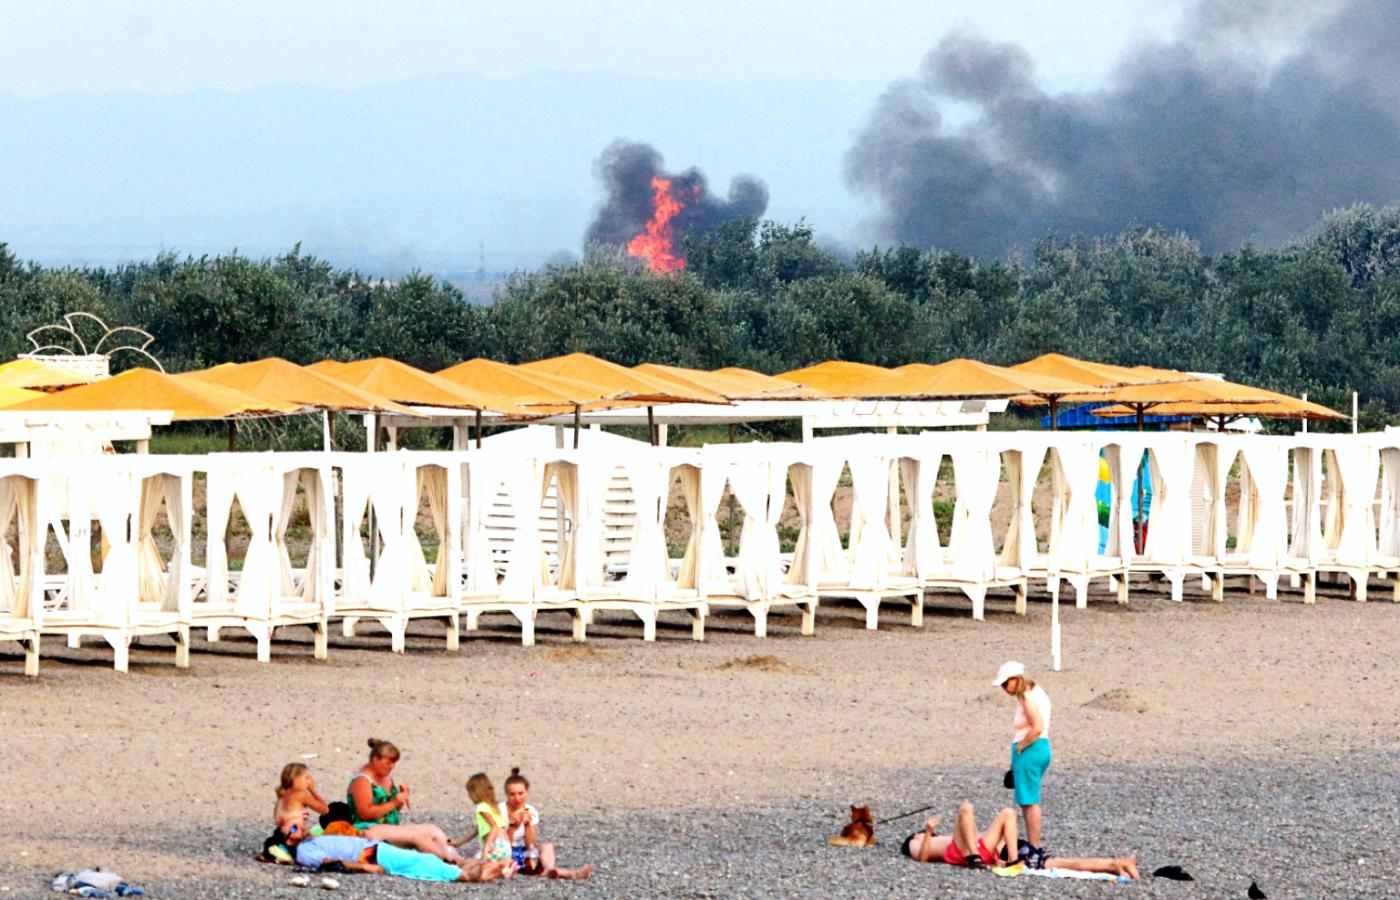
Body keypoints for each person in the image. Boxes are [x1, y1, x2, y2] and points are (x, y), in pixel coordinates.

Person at [899, 803, 1139, 880]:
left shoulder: (944, 838)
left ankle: (1012, 860)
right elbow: (922, 857)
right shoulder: (915, 841)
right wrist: (927, 832)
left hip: (987, 850)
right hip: (965, 853)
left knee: (1007, 813)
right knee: (965, 808)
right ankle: (1115, 864)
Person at [275, 816, 507, 883]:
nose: (300, 827)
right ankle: (463, 875)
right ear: (289, 841)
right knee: (417, 863)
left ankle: (468, 869)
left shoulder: (311, 840)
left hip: (374, 848)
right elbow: (328, 863)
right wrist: (365, 867)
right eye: (293, 828)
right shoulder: (304, 852)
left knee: (414, 857)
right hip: (370, 855)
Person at [347, 738, 466, 865]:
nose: (392, 767)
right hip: (369, 828)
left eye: (393, 763)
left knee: (432, 830)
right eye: (388, 763)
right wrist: (393, 802)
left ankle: (459, 860)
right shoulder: (362, 781)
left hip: (390, 827)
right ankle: (447, 861)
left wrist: (400, 800)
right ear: (375, 760)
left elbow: (392, 810)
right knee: (419, 838)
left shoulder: (385, 776)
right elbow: (365, 813)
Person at [994, 660, 1052, 848]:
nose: (1004, 689)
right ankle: (1033, 845)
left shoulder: (1027, 698)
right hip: (1039, 749)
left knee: (1029, 801)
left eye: (1005, 683)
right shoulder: (1036, 693)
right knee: (1029, 799)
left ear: (1016, 679)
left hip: (1031, 749)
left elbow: (1037, 727)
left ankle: (1034, 847)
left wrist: (1020, 747)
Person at [499, 767, 593, 880]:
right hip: (502, 855)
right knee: (515, 861)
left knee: (547, 847)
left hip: (521, 854)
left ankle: (549, 869)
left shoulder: (530, 811)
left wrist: (527, 825)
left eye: (520, 793)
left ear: (526, 792)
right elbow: (501, 845)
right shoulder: (499, 811)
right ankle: (570, 874)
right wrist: (513, 827)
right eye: (512, 794)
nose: (517, 798)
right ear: (506, 794)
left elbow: (530, 846)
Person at [458, 772, 512, 865]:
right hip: (506, 847)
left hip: (495, 846)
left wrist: (486, 847)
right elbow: (477, 829)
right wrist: (459, 842)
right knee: (492, 866)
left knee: (472, 864)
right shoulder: (493, 807)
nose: (469, 796)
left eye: (469, 792)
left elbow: (494, 826)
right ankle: (506, 867)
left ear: (475, 792)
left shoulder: (481, 807)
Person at [275, 763, 330, 836]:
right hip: (293, 836)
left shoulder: (283, 792)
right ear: (296, 779)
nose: (310, 781)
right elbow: (325, 810)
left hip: (282, 834)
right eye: (307, 778)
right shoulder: (301, 794)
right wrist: (312, 790)